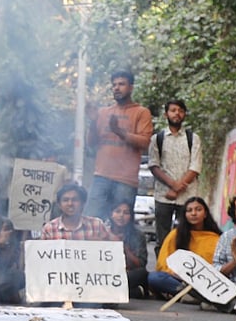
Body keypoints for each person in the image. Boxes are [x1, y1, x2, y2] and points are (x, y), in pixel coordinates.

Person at [87, 70, 155, 220]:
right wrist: (92, 122)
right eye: (114, 85)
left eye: (121, 84)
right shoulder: (103, 112)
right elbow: (91, 143)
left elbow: (145, 143)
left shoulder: (141, 112)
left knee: (121, 226)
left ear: (131, 88)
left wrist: (120, 132)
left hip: (125, 180)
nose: (117, 88)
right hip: (101, 177)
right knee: (91, 221)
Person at [148, 99, 203, 249]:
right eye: (173, 110)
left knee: (187, 237)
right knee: (162, 239)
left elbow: (195, 166)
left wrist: (177, 188)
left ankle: (184, 271)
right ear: (166, 114)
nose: (176, 113)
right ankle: (162, 270)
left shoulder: (193, 138)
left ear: (184, 114)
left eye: (180, 110)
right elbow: (154, 166)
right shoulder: (157, 139)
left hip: (188, 197)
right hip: (164, 196)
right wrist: (173, 186)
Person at [147, 196, 222, 299]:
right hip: (179, 279)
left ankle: (190, 295)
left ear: (205, 214)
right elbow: (163, 263)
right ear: (185, 215)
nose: (193, 213)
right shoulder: (176, 234)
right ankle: (190, 294)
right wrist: (178, 275)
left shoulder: (216, 238)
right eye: (189, 210)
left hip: (206, 282)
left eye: (198, 210)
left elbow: (218, 265)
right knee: (154, 277)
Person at [106, 200, 149, 298]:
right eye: (117, 211)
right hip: (107, 275)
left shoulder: (138, 235)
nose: (121, 216)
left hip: (127, 274)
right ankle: (131, 292)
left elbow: (141, 264)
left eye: (126, 213)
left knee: (142, 273)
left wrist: (124, 247)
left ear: (130, 217)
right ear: (111, 214)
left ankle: (111, 291)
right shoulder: (103, 231)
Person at [41, 183, 111, 241]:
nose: (70, 204)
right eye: (65, 200)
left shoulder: (97, 225)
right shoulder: (49, 229)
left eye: (75, 200)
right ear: (59, 204)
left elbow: (110, 251)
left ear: (83, 203)